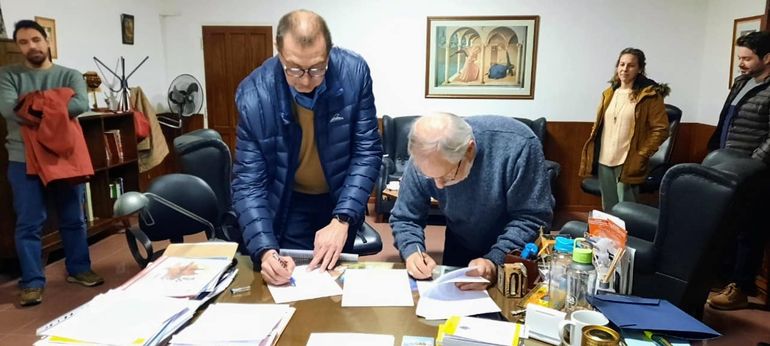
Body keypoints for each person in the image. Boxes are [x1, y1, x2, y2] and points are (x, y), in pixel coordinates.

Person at [232, 10, 382, 286]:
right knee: (294, 281)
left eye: (316, 68)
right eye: (294, 69)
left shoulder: (354, 74)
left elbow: (367, 152)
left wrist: (342, 219)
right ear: (279, 52)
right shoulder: (254, 95)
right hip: (290, 201)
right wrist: (265, 251)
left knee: (337, 282)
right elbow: (248, 183)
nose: (305, 80)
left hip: (341, 196)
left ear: (329, 53)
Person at [0, 20, 103, 307]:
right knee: (29, 223)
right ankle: (32, 282)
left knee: (73, 218)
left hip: (64, 156)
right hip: (23, 158)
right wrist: (57, 103)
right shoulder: (7, 75)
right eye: (23, 42)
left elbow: (79, 105)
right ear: (18, 46)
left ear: (47, 42)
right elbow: (9, 109)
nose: (31, 46)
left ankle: (79, 269)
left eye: (35, 39)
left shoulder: (70, 75)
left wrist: (33, 104)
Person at [390, 113, 553, 290]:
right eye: (429, 176)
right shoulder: (426, 154)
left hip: (514, 256)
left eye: (447, 175)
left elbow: (532, 218)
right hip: (460, 241)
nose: (439, 185)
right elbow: (405, 217)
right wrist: (412, 250)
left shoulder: (520, 145)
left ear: (470, 149)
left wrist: (495, 260)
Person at [706, 31, 770, 310]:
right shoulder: (742, 82)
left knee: (750, 230)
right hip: (726, 165)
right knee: (727, 224)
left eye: (747, 58)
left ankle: (741, 288)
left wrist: (754, 162)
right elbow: (727, 121)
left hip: (755, 172)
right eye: (740, 58)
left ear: (767, 58)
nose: (741, 63)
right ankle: (722, 277)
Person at [578, 48, 670, 211]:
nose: (625, 69)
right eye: (622, 64)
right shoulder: (609, 93)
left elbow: (661, 129)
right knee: (609, 211)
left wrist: (641, 154)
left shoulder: (649, 95)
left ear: (640, 69)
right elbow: (599, 125)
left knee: (626, 211)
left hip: (628, 161)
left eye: (631, 65)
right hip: (604, 159)